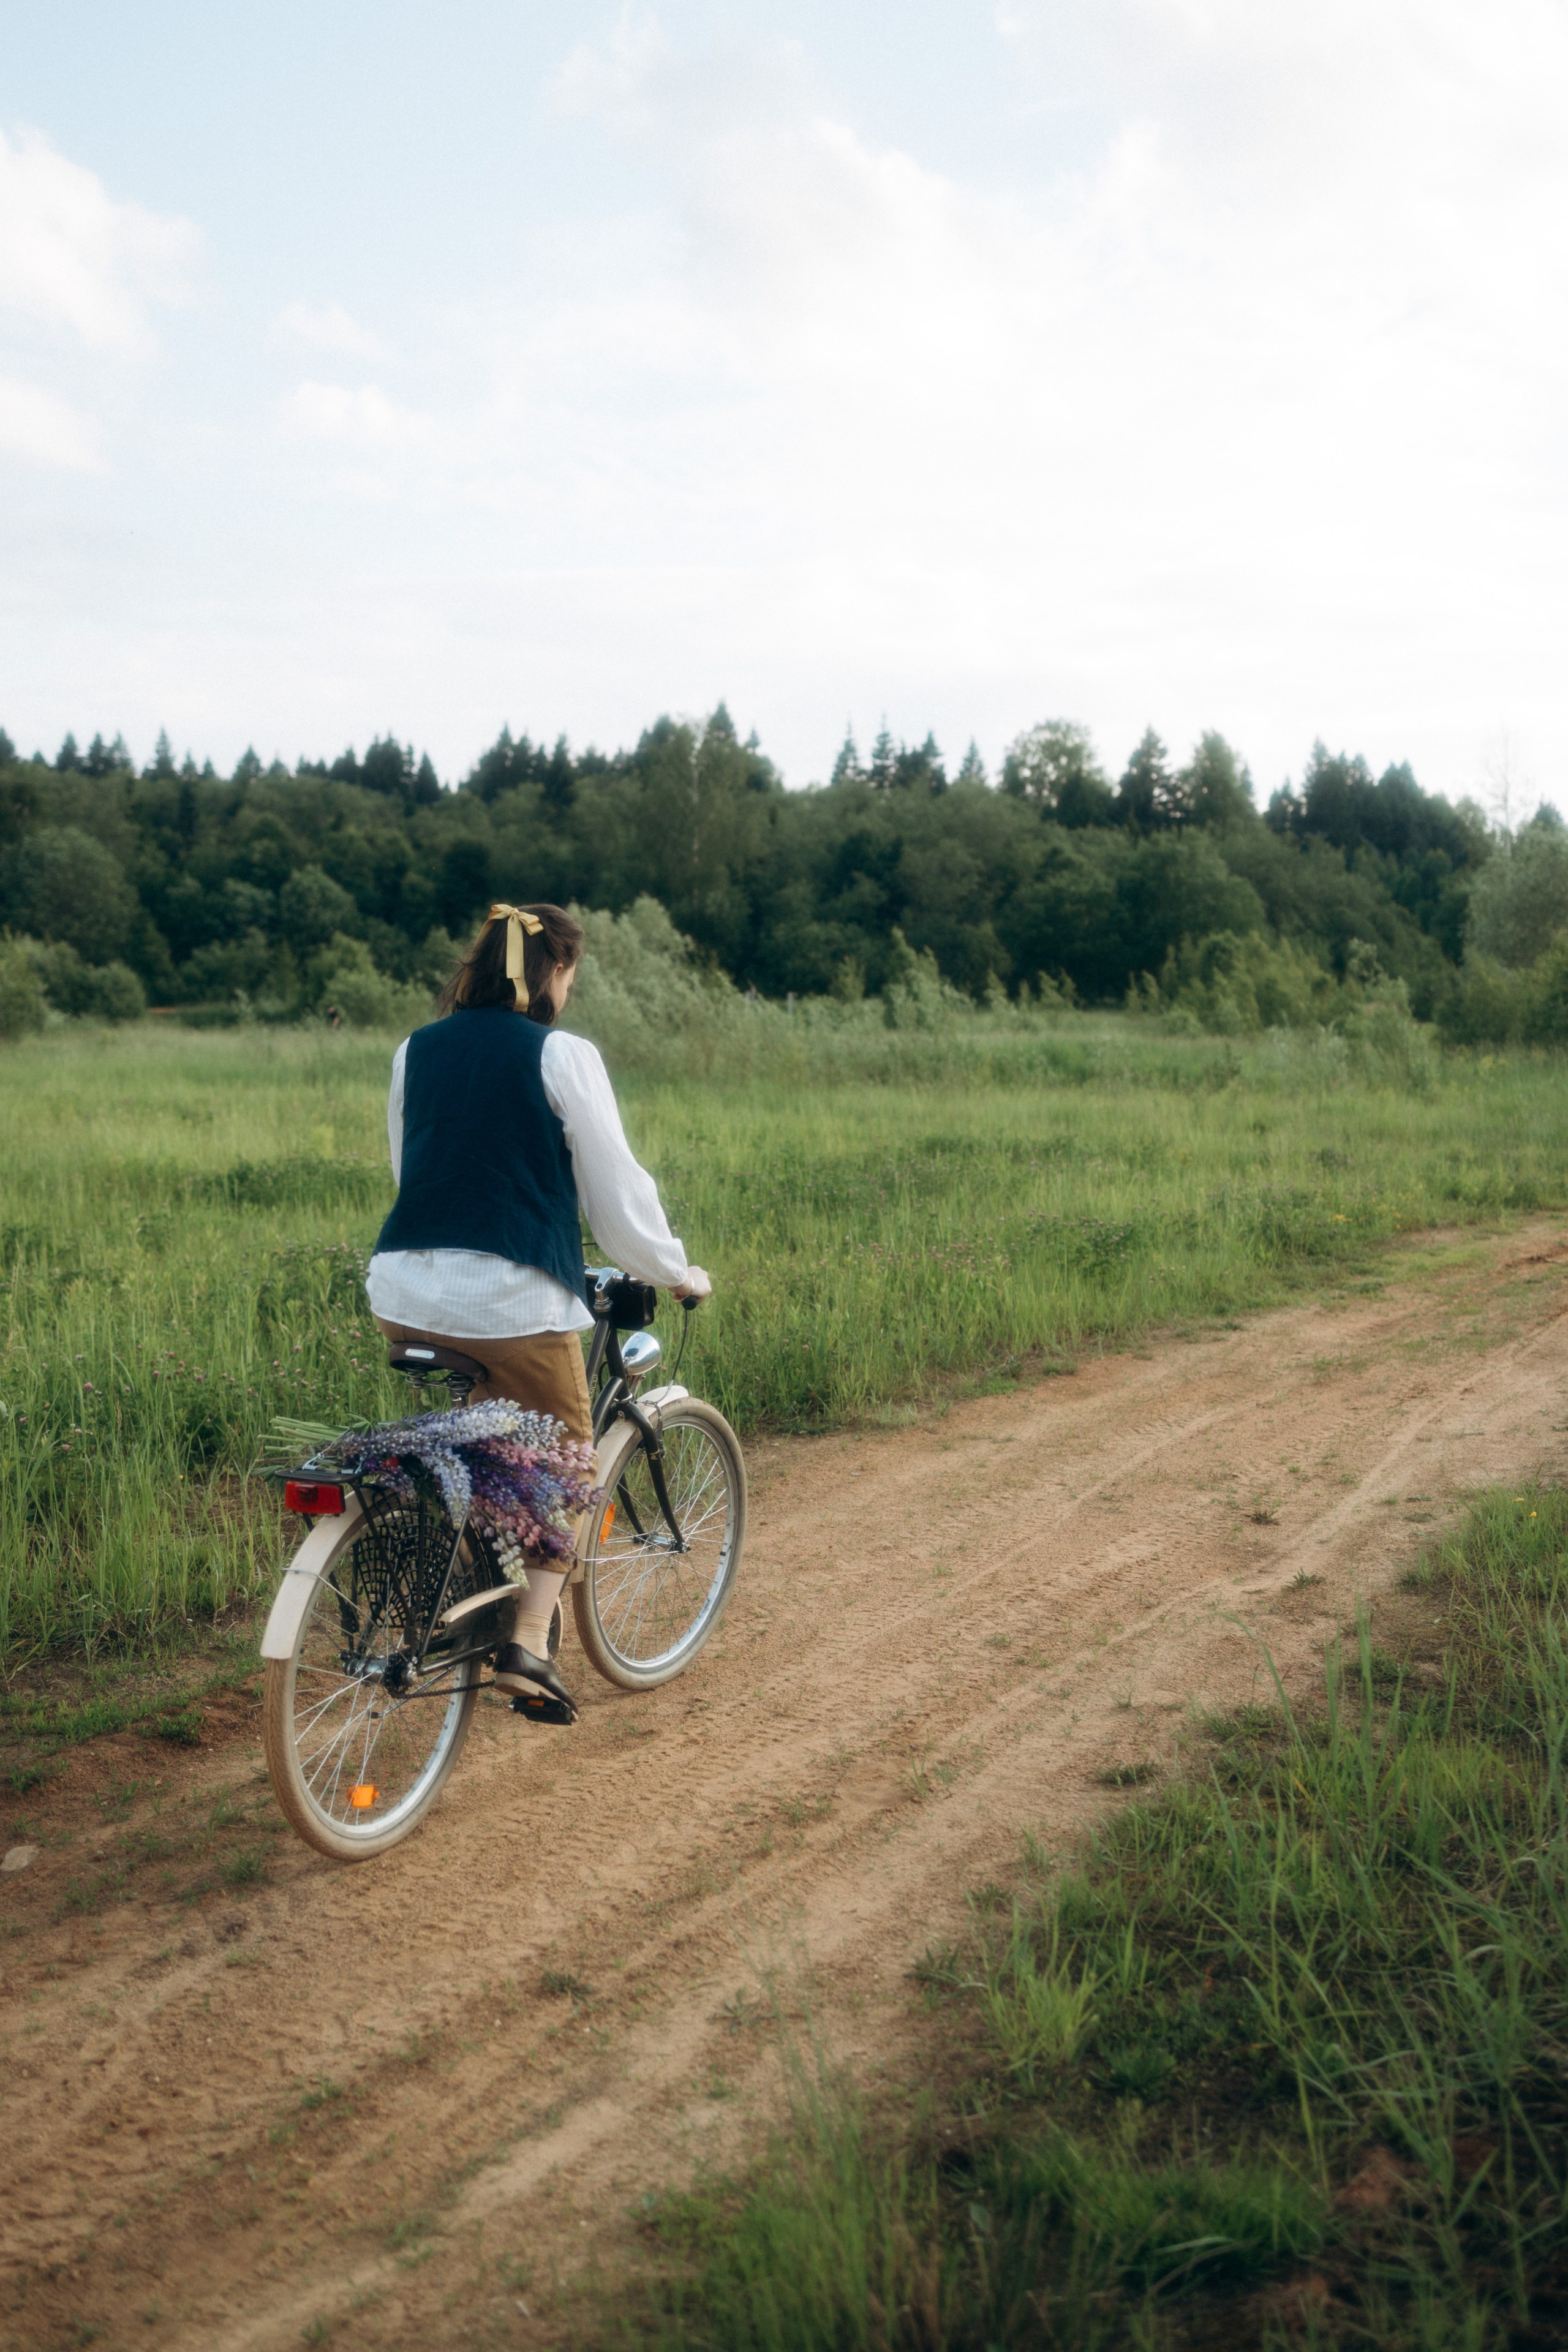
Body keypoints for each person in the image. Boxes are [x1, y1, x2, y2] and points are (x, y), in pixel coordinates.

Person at [366, 900, 710, 1717]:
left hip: (404, 1289)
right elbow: (618, 1192)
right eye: (571, 975)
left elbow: (409, 1165)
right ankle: (526, 1636)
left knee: (486, 1439)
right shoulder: (562, 1053)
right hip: (512, 1299)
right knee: (566, 1462)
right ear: (553, 972)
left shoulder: (416, 1049)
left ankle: (470, 1580)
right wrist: (675, 1269)